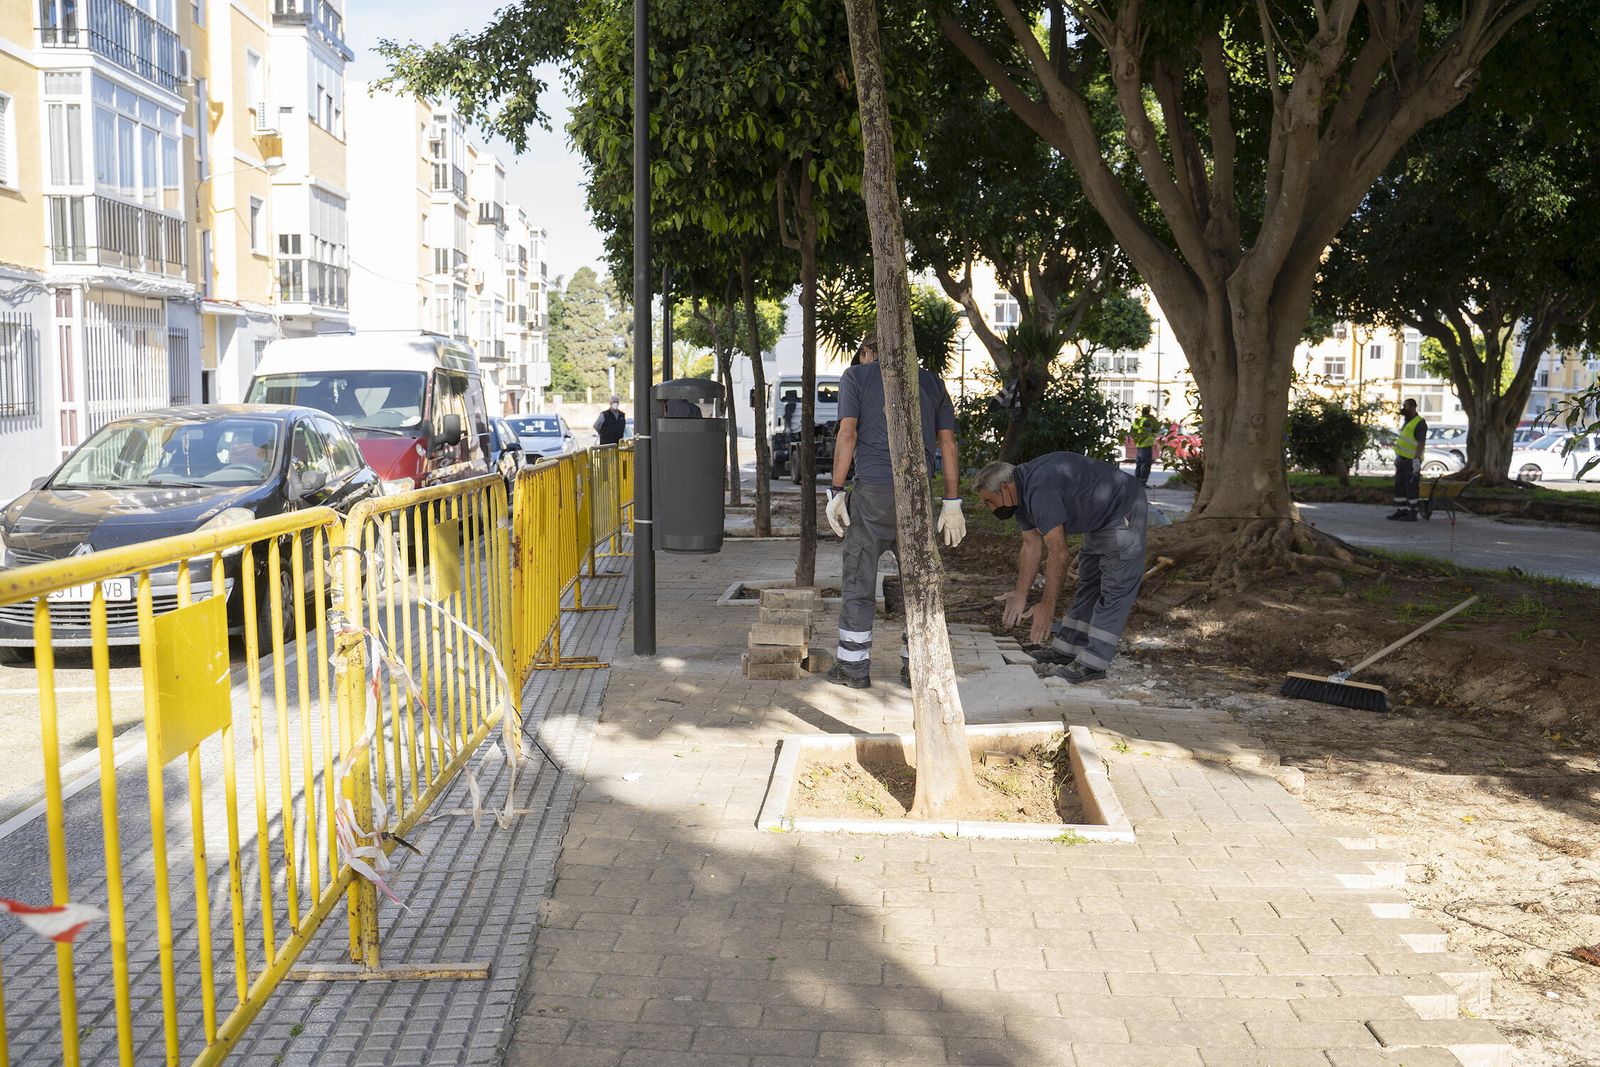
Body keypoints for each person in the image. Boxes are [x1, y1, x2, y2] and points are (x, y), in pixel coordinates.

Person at [824, 332, 964, 689]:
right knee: (918, 584)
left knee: (858, 580)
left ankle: (853, 669)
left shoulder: (856, 377)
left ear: (869, 351)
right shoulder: (932, 382)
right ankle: (915, 668)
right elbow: (947, 442)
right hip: (917, 496)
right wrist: (951, 501)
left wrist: (837, 490)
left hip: (872, 495)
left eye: (861, 355)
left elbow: (847, 433)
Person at [975, 452, 1147, 685]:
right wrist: (1021, 593)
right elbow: (1031, 544)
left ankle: (1093, 663)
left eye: (989, 501)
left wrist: (1047, 606)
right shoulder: (1021, 497)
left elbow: (1059, 552)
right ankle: (1068, 649)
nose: (989, 508)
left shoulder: (1039, 489)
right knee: (1089, 583)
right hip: (1099, 517)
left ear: (1005, 489)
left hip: (1122, 506)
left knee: (1115, 587)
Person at [1388, 398, 1427, 522]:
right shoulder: (1407, 421)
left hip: (1411, 461)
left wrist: (1416, 459)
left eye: (1406, 406)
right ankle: (1402, 510)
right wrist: (1398, 456)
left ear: (1414, 407)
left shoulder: (1419, 422)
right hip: (1402, 459)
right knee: (1399, 485)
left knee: (1411, 487)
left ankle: (1412, 513)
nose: (1404, 409)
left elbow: (1421, 443)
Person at [1130, 406, 1159, 485]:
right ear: (1148, 412)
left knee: (1139, 464)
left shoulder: (1137, 420)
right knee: (1145, 464)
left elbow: (1132, 432)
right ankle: (1142, 482)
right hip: (1146, 445)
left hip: (1139, 444)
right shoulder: (1148, 421)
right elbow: (1154, 430)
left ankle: (1137, 481)